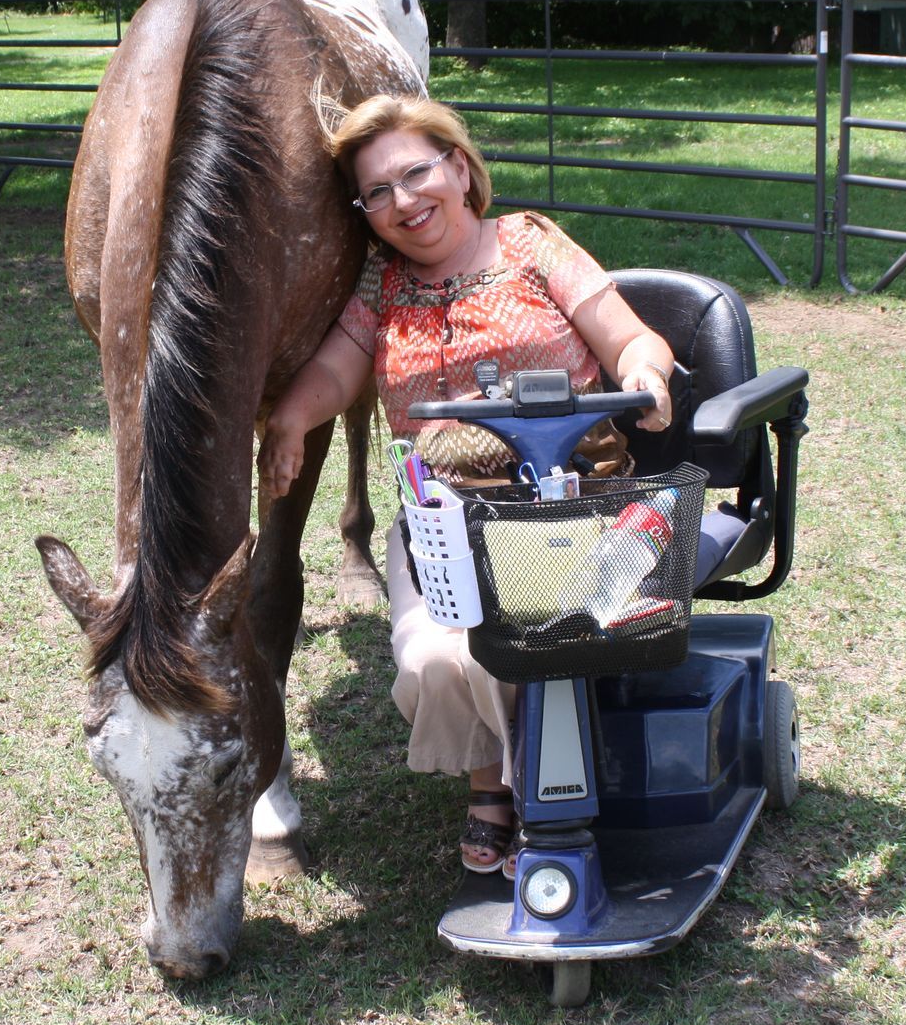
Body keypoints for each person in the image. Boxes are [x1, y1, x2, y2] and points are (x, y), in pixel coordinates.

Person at [259, 95, 676, 876]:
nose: (403, 203)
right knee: (431, 663)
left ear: (458, 164)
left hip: (569, 505)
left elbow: (629, 339)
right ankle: (495, 779)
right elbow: (333, 372)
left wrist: (645, 374)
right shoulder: (381, 286)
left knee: (508, 652)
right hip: (445, 522)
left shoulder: (530, 245)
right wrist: (288, 420)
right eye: (376, 193)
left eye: (416, 173)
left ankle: (531, 794)